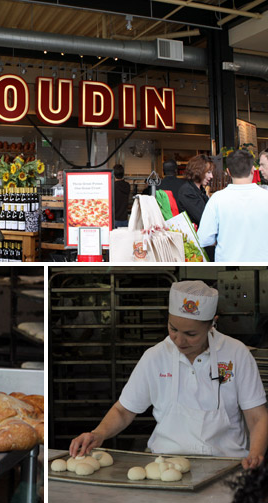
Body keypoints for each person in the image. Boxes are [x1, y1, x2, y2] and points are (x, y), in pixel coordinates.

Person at [69, 280, 268, 469]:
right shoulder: (155, 357)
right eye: (173, 329)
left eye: (191, 334)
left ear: (212, 324)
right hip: (165, 464)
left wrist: (256, 455)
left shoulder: (236, 353)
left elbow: (257, 417)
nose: (179, 341)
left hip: (226, 464)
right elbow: (124, 410)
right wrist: (98, 433)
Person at [198, 149, 268, 262]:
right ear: (252, 170)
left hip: (228, 265)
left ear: (228, 172)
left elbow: (204, 239)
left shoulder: (217, 199)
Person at [176, 154, 214, 228]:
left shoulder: (200, 190)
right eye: (208, 172)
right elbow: (204, 218)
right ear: (199, 171)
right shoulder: (187, 191)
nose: (211, 176)